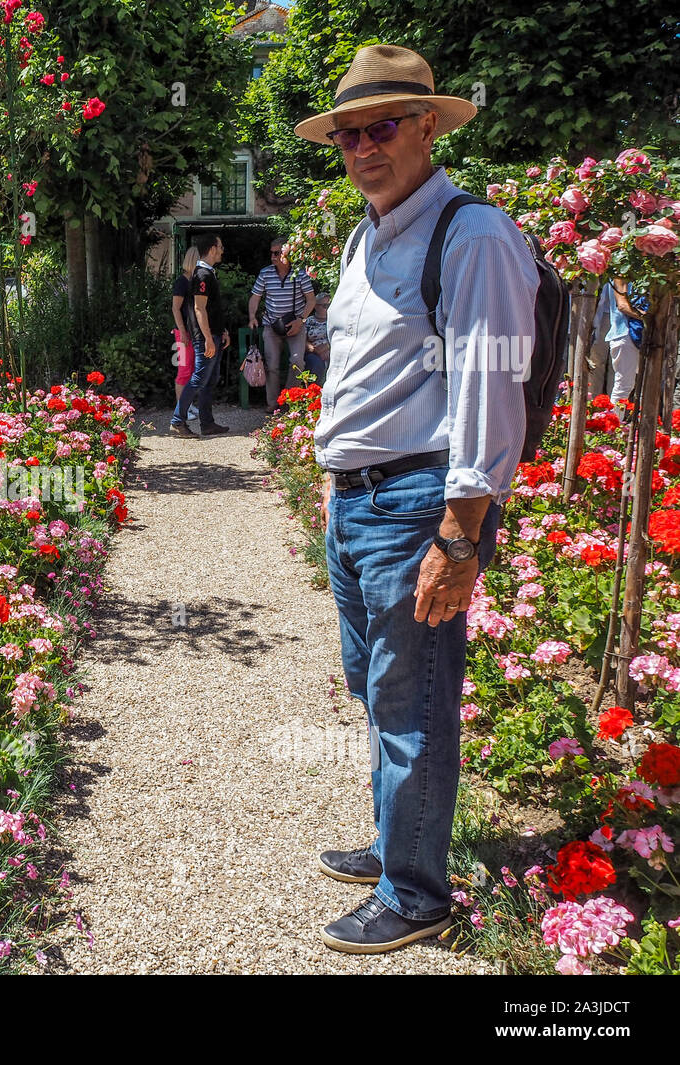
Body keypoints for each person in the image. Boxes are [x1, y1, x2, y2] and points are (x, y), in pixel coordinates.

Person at [295, 44, 538, 953]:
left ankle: (417, 894)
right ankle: (399, 842)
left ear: (428, 125)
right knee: (378, 688)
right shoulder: (368, 232)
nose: (363, 144)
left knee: (414, 701)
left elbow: (487, 391)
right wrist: (329, 490)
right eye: (349, 133)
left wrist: (459, 536)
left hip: (416, 506)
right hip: (356, 502)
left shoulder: (469, 235)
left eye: (383, 126)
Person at [168, 232, 231, 438]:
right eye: (220, 246)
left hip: (213, 334)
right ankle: (178, 421)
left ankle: (207, 423)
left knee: (209, 380)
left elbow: (212, 309)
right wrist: (206, 339)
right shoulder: (202, 275)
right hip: (206, 336)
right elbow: (199, 308)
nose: (222, 250)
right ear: (212, 249)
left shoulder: (207, 273)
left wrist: (222, 332)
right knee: (198, 379)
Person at [249, 237, 316, 409]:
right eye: (271, 253)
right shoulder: (266, 273)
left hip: (296, 325)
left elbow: (311, 301)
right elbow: (255, 297)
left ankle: (288, 399)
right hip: (272, 325)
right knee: (272, 366)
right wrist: (252, 316)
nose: (273, 256)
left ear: (287, 254)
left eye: (277, 253)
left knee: (297, 362)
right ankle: (273, 404)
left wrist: (300, 321)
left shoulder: (300, 273)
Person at [604, 279, 643, 409]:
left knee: (630, 385)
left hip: (638, 334)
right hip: (624, 333)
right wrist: (650, 317)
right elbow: (622, 305)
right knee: (623, 386)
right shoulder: (620, 274)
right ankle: (613, 425)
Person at [171, 246, 200, 416]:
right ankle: (180, 409)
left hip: (192, 332)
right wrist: (182, 331)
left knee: (192, 370)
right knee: (183, 370)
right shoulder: (181, 282)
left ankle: (188, 405)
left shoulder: (194, 282)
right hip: (183, 333)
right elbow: (175, 308)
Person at [303, 291, 332, 385]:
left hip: (331, 350)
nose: (328, 308)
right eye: (325, 306)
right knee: (315, 363)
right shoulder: (308, 321)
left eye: (329, 305)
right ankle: (315, 393)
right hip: (313, 352)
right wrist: (313, 349)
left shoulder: (334, 320)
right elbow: (303, 339)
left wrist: (327, 347)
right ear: (316, 306)